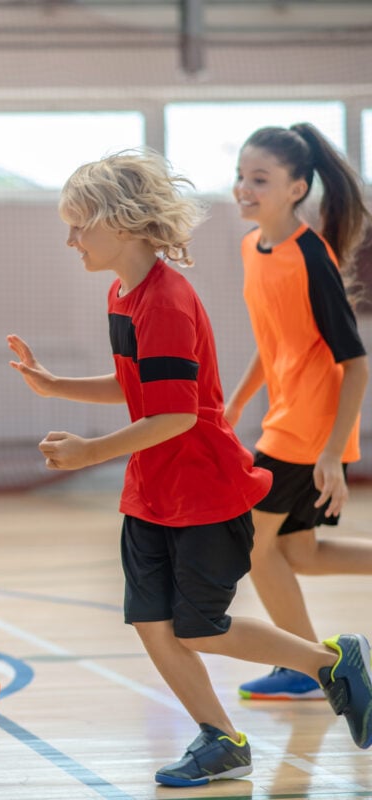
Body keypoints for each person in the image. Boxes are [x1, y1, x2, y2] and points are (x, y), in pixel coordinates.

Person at [6, 150, 372, 787]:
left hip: (203, 490)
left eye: (78, 226)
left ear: (120, 224)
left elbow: (174, 416)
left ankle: (329, 664)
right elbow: (140, 386)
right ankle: (221, 740)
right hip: (151, 491)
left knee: (201, 628)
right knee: (152, 622)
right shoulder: (123, 292)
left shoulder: (166, 303)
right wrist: (55, 384)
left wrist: (88, 454)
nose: (70, 240)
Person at [226, 123, 372, 701]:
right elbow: (275, 339)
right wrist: (236, 400)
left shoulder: (312, 257)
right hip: (285, 416)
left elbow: (356, 364)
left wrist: (333, 455)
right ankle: (311, 664)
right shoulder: (252, 247)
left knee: (252, 546)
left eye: (259, 179)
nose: (244, 188)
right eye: (241, 176)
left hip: (307, 427)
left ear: (296, 188)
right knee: (297, 553)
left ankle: (311, 666)